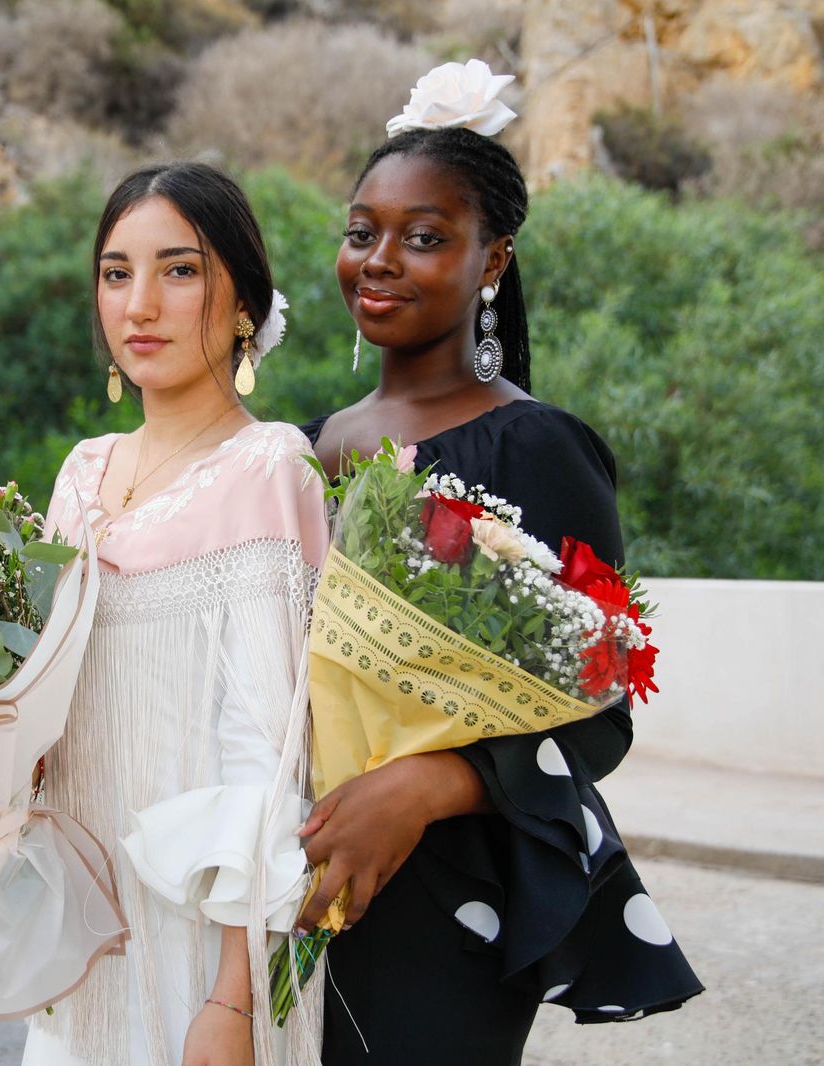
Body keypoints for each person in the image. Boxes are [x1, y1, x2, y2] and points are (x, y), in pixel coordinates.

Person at [298, 62, 702, 1063]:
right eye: (363, 233)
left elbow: (600, 710)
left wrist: (432, 782)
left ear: (492, 262)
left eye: (424, 237)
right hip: (294, 856)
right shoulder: (304, 448)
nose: (380, 259)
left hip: (448, 883)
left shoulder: (535, 445)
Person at [26, 162, 327, 1066]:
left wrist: (231, 1005)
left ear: (243, 300)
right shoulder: (81, 471)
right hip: (81, 924)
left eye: (180, 269)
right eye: (117, 273)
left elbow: (267, 761)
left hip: (194, 931)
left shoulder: (269, 467)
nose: (140, 303)